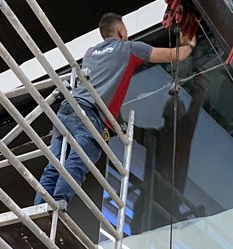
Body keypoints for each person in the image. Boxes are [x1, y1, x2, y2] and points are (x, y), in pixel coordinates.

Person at [37, 12, 198, 207]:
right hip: (90, 114)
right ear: (121, 31)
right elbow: (175, 56)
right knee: (78, 161)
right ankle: (56, 206)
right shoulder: (129, 49)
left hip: (67, 109)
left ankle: (40, 206)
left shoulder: (89, 53)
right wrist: (189, 43)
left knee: (55, 163)